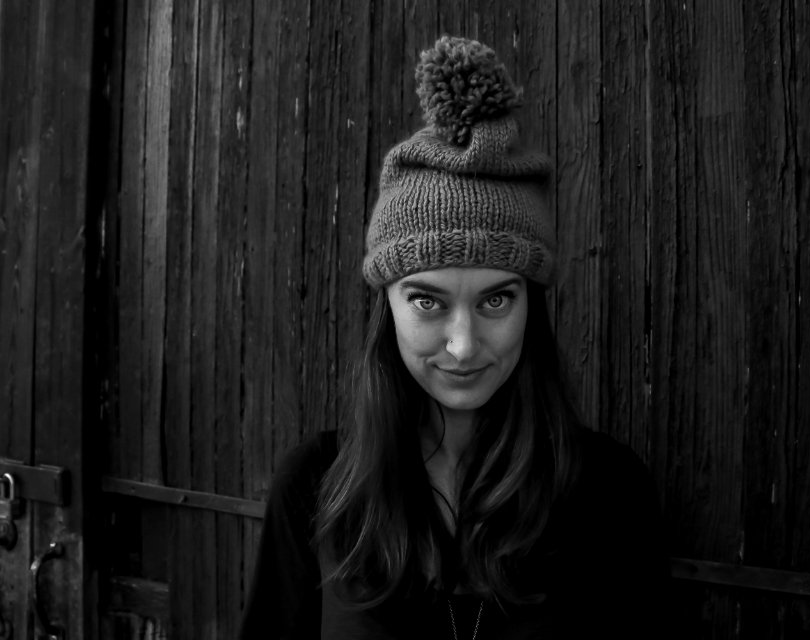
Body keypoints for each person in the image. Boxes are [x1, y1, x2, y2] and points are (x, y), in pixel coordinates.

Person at [239, 35, 668, 639]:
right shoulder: (316, 485)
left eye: (496, 299)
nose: (463, 345)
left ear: (530, 305)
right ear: (387, 308)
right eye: (427, 301)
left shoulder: (609, 491)